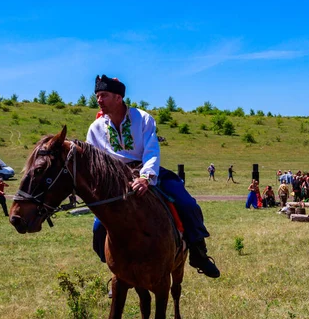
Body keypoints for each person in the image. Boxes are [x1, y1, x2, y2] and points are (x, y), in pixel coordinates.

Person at [86, 75, 220, 278]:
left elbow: (151, 150)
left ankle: (198, 254)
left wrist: (145, 177)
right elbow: (94, 162)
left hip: (146, 170)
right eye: (97, 96)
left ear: (118, 97)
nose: (99, 100)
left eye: (103, 95)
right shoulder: (95, 129)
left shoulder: (143, 119)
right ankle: (117, 272)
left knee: (188, 204)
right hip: (117, 179)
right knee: (98, 227)